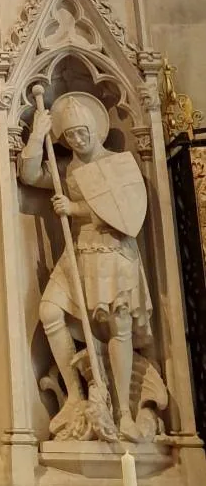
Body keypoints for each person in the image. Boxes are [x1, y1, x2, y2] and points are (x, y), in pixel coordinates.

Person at [19, 90, 151, 441]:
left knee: (117, 330)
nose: (77, 140)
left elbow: (130, 214)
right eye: (70, 135)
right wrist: (37, 133)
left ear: (96, 129)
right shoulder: (68, 169)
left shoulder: (121, 163)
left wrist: (75, 210)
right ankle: (76, 394)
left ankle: (124, 412)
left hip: (112, 255)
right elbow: (30, 174)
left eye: (82, 132)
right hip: (77, 254)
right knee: (49, 311)